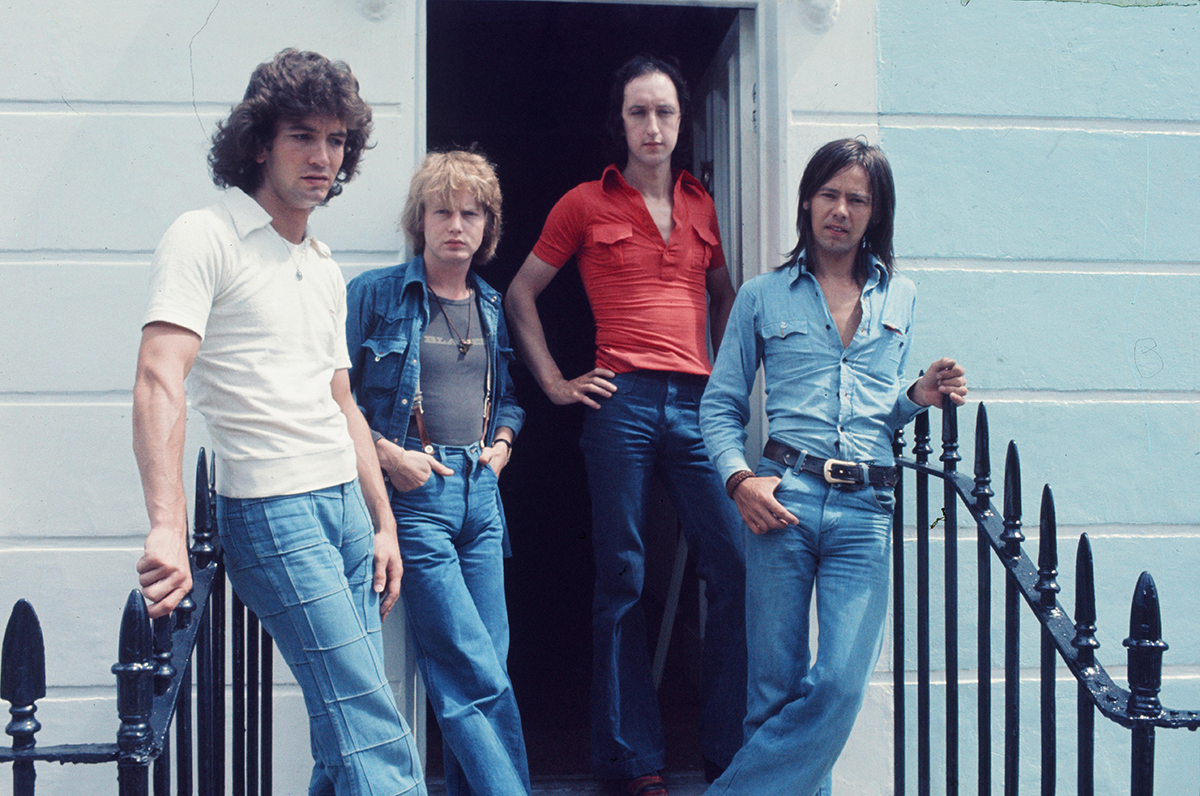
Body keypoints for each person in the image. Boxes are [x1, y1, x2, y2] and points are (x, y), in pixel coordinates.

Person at [132, 49, 424, 796]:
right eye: (303, 136)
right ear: (261, 141)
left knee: (344, 728)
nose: (322, 156)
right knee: (373, 724)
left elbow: (342, 402)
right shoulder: (206, 235)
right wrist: (166, 526)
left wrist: (382, 520)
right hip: (272, 509)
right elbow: (161, 377)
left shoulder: (322, 266)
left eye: (335, 141)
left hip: (343, 508)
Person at [505, 55, 747, 795]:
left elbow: (727, 298)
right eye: (639, 112)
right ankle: (630, 760)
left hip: (697, 405)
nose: (653, 125)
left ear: (680, 123)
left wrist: (726, 388)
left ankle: (726, 750)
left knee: (734, 564)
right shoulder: (584, 202)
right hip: (622, 406)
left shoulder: (702, 204)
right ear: (622, 122)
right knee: (624, 576)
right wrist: (553, 381)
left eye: (665, 112)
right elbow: (520, 292)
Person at [699, 138, 969, 795]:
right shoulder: (763, 296)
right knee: (773, 693)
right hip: (782, 501)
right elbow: (719, 406)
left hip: (864, 511)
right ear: (807, 202)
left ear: (876, 213)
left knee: (840, 683)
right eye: (829, 195)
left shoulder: (899, 297)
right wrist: (739, 481)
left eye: (857, 199)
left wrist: (916, 398)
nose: (840, 210)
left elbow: (878, 413)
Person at [345, 151, 530, 796]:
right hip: (415, 498)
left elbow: (507, 397)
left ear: (487, 227)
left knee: (492, 666)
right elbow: (328, 396)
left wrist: (503, 444)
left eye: (470, 213)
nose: (456, 224)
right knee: (465, 668)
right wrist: (388, 455)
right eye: (442, 210)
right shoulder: (375, 293)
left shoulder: (490, 302)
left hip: (481, 496)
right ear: (419, 220)